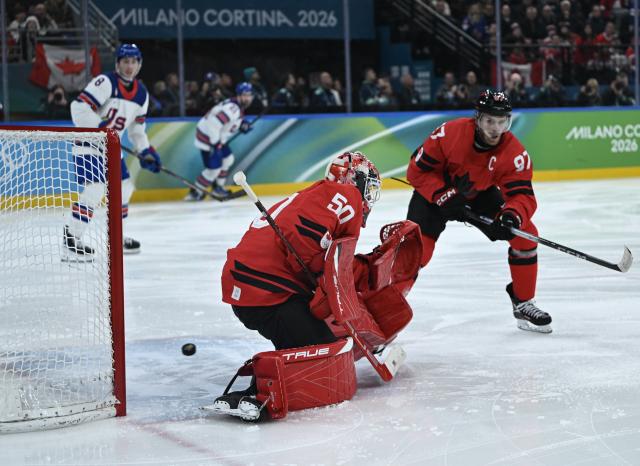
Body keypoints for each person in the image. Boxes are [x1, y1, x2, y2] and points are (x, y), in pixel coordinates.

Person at [213, 152, 383, 420]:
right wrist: (316, 276)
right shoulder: (345, 196)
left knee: (322, 341)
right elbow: (303, 238)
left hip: (252, 284)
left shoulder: (319, 195)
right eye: (369, 188)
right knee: (327, 355)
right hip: (265, 290)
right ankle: (259, 392)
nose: (369, 198)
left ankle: (271, 371)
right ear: (354, 180)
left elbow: (314, 246)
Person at [405, 90, 552, 333]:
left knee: (523, 234)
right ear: (477, 119)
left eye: (501, 121)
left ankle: (523, 300)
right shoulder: (448, 134)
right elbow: (416, 171)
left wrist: (511, 215)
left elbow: (522, 195)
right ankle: (383, 305)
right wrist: (443, 194)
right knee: (416, 251)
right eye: (489, 121)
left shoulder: (514, 152)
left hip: (477, 194)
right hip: (434, 196)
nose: (495, 128)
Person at [65, 43, 162, 260]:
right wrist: (99, 127)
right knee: (95, 190)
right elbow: (78, 107)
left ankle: (117, 237)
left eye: (134, 62)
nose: (129, 66)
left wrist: (146, 151)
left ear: (139, 64)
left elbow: (137, 129)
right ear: (118, 63)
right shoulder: (106, 82)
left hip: (112, 149)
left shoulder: (142, 94)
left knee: (125, 188)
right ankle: (71, 240)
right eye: (125, 61)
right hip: (89, 144)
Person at [184, 82, 254, 200]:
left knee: (228, 159)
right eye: (245, 95)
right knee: (214, 169)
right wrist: (216, 144)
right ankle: (195, 192)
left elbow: (230, 122)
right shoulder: (234, 108)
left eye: (250, 95)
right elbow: (214, 123)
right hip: (208, 138)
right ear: (239, 95)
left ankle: (218, 188)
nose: (248, 98)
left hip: (215, 138)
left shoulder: (236, 106)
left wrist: (242, 124)